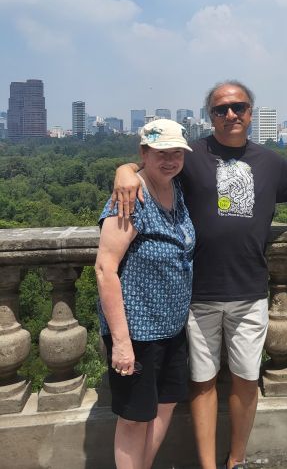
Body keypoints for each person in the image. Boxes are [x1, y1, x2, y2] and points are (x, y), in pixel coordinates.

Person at [112, 81, 287, 469]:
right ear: (209, 115)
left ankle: (236, 461)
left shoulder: (268, 162)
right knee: (202, 382)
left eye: (238, 107)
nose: (230, 115)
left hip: (250, 291)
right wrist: (123, 171)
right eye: (220, 109)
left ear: (250, 112)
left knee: (246, 381)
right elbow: (153, 163)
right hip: (196, 295)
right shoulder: (191, 157)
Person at [96, 119, 195, 469]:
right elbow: (105, 269)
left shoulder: (175, 187)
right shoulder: (131, 197)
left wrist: (125, 167)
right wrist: (121, 342)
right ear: (144, 154)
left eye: (176, 153)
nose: (169, 160)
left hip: (171, 328)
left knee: (166, 403)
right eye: (160, 153)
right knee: (135, 418)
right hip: (137, 332)